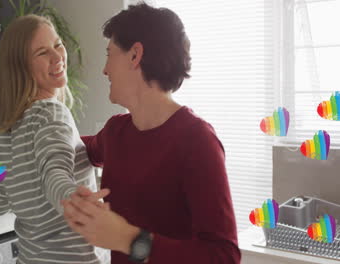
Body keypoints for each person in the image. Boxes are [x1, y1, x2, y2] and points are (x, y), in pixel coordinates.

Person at [62, 3, 241, 264]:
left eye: (109, 54)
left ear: (135, 55)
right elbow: (76, 148)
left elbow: (223, 256)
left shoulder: (198, 141)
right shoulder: (115, 132)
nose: (104, 69)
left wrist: (128, 239)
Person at [0, 14, 110, 264]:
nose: (57, 57)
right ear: (21, 67)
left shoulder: (5, 132)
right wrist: (71, 197)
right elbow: (54, 172)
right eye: (42, 53)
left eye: (57, 44)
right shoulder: (50, 113)